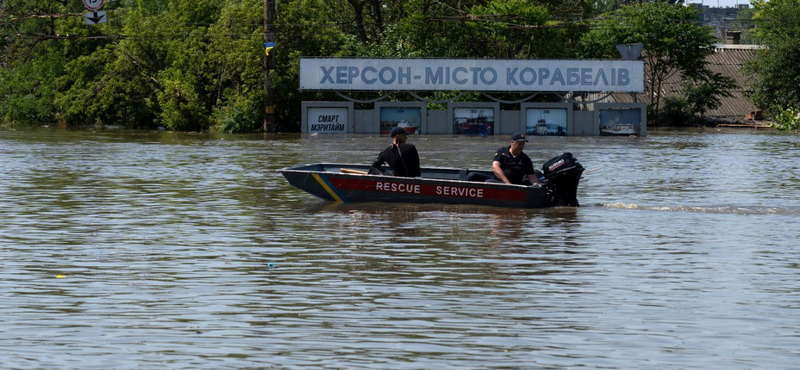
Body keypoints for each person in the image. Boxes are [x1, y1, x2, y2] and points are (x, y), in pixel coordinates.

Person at [467, 132, 540, 185]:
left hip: (515, 185)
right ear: (512, 142)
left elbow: (532, 177)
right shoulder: (502, 151)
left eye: (523, 144)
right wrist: (507, 183)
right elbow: (495, 167)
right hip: (500, 182)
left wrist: (537, 186)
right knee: (472, 175)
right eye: (519, 144)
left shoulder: (526, 159)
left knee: (488, 182)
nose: (521, 147)